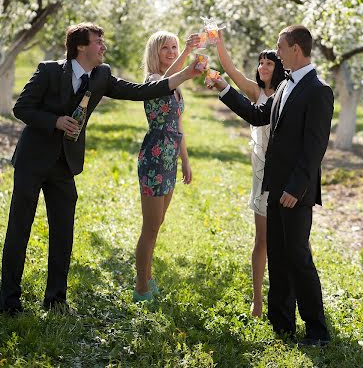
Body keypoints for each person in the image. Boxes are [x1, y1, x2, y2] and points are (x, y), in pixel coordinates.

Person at [0, 23, 200, 315]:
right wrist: (54, 121)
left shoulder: (102, 75)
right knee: (20, 229)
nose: (103, 46)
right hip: (33, 160)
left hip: (64, 164)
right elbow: (22, 108)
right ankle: (9, 301)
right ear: (81, 46)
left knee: (63, 231)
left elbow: (142, 91)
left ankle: (55, 300)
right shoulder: (48, 71)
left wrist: (186, 73)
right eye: (98, 42)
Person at [212, 25, 333, 346]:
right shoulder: (283, 87)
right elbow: (256, 115)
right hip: (273, 185)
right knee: (278, 256)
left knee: (298, 257)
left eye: (280, 47)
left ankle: (317, 330)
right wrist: (224, 89)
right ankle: (281, 325)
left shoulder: (319, 89)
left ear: (296, 48)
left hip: (295, 191)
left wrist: (296, 187)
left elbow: (315, 146)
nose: (276, 54)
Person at [215, 31, 284, 317]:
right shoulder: (257, 93)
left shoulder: (283, 94)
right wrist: (218, 42)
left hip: (282, 171)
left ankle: (292, 296)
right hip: (260, 174)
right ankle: (257, 301)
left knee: (291, 240)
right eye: (261, 63)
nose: (263, 68)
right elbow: (230, 71)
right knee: (262, 240)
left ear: (278, 67)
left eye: (268, 63)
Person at [134, 31, 197, 302]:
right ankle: (140, 287)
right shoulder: (154, 81)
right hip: (155, 157)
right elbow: (171, 77)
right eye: (166, 49)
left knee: (158, 223)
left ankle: (147, 276)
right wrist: (186, 51)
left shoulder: (174, 83)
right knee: (150, 226)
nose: (171, 52)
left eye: (174, 47)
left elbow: (179, 125)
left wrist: (185, 160)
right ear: (154, 53)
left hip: (170, 158)